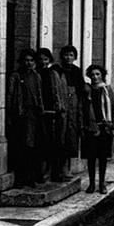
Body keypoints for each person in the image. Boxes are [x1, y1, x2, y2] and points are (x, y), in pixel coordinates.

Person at [7, 49, 45, 187]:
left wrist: (40, 109)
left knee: (33, 147)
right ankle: (20, 178)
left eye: (31, 60)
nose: (28, 63)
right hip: (21, 115)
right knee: (21, 146)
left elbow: (39, 94)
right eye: (26, 60)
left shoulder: (36, 76)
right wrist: (11, 114)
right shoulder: (16, 76)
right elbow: (11, 95)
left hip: (34, 115)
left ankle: (31, 177)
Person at [56, 46, 94, 180]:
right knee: (59, 136)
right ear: (62, 56)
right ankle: (57, 170)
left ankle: (66, 169)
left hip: (73, 107)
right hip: (61, 106)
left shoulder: (76, 71)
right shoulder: (56, 70)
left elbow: (81, 89)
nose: (68, 58)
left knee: (71, 136)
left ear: (75, 57)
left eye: (71, 55)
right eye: (66, 55)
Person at [83, 64, 114, 194]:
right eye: (92, 75)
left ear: (102, 75)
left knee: (102, 157)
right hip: (91, 127)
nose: (95, 77)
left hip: (105, 127)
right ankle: (91, 184)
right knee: (91, 157)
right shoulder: (87, 90)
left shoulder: (108, 90)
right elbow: (84, 108)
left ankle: (102, 184)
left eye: (98, 74)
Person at [37, 48, 68, 181]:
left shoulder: (53, 74)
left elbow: (57, 92)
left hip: (52, 112)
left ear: (49, 60)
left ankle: (55, 172)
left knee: (55, 142)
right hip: (39, 112)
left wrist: (58, 108)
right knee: (41, 142)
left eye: (45, 59)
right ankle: (42, 172)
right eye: (41, 59)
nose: (43, 62)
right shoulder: (36, 73)